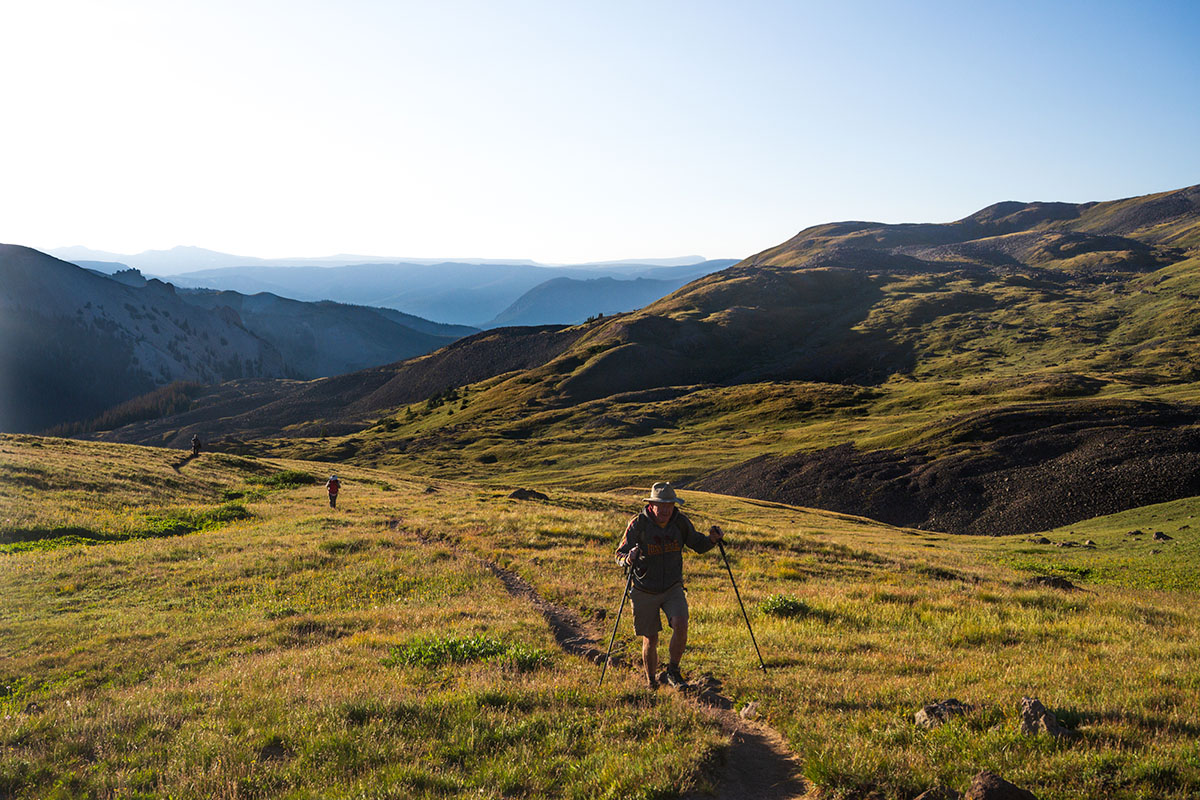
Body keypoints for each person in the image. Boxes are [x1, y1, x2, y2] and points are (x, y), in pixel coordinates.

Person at [615, 482, 724, 690]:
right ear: (652, 505)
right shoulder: (638, 524)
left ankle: (673, 671)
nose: (665, 510)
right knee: (651, 638)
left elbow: (697, 544)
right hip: (644, 588)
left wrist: (711, 540)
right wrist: (628, 559)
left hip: (672, 587)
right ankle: (651, 681)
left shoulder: (680, 522)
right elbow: (618, 554)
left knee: (681, 623)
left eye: (670, 505)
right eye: (661, 505)